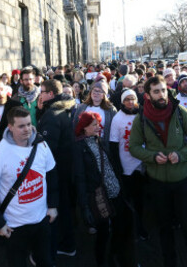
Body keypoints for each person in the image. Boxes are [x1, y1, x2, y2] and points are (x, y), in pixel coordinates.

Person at [128, 75, 187, 267]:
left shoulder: (181, 113)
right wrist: (152, 156)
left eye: (163, 90)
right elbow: (134, 147)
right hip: (157, 183)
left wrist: (182, 154)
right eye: (156, 91)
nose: (162, 95)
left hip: (183, 180)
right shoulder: (141, 119)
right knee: (164, 229)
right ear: (147, 95)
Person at [0, 106, 58, 267]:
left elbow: (51, 175)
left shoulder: (41, 144)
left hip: (41, 220)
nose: (27, 129)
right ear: (10, 127)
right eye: (21, 126)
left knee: (45, 261)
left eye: (29, 124)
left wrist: (53, 205)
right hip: (14, 227)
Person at [74, 111, 136, 267]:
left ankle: (115, 257)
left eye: (98, 123)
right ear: (84, 127)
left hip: (115, 193)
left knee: (119, 228)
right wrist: (84, 207)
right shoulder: (78, 147)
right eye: (94, 124)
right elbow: (79, 178)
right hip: (99, 197)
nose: (98, 127)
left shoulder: (99, 140)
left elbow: (110, 166)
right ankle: (102, 261)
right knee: (103, 233)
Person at [36, 80, 77, 260]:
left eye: (42, 92)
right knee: (65, 206)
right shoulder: (62, 108)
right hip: (66, 167)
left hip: (56, 170)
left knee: (58, 208)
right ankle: (67, 243)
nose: (40, 95)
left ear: (51, 94)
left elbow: (46, 150)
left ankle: (63, 245)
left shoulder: (52, 115)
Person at [108, 88, 147, 239]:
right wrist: (118, 168)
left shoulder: (142, 114)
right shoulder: (117, 118)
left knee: (140, 199)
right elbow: (113, 144)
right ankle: (129, 229)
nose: (130, 102)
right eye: (127, 99)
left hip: (141, 163)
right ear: (122, 102)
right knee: (127, 200)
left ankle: (141, 225)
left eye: (133, 99)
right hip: (125, 164)